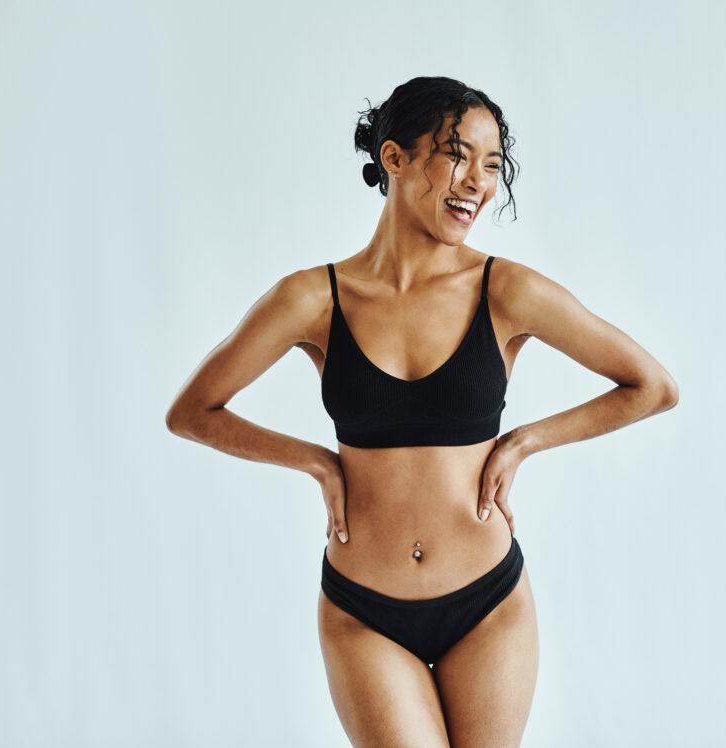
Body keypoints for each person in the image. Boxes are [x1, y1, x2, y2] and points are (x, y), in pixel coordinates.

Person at [166, 75, 679, 747]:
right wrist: (316, 462)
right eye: (457, 156)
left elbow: (651, 385)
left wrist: (525, 441)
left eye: (492, 165)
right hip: (363, 612)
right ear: (394, 157)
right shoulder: (313, 299)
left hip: (488, 605)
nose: (477, 183)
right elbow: (193, 411)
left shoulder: (505, 290)